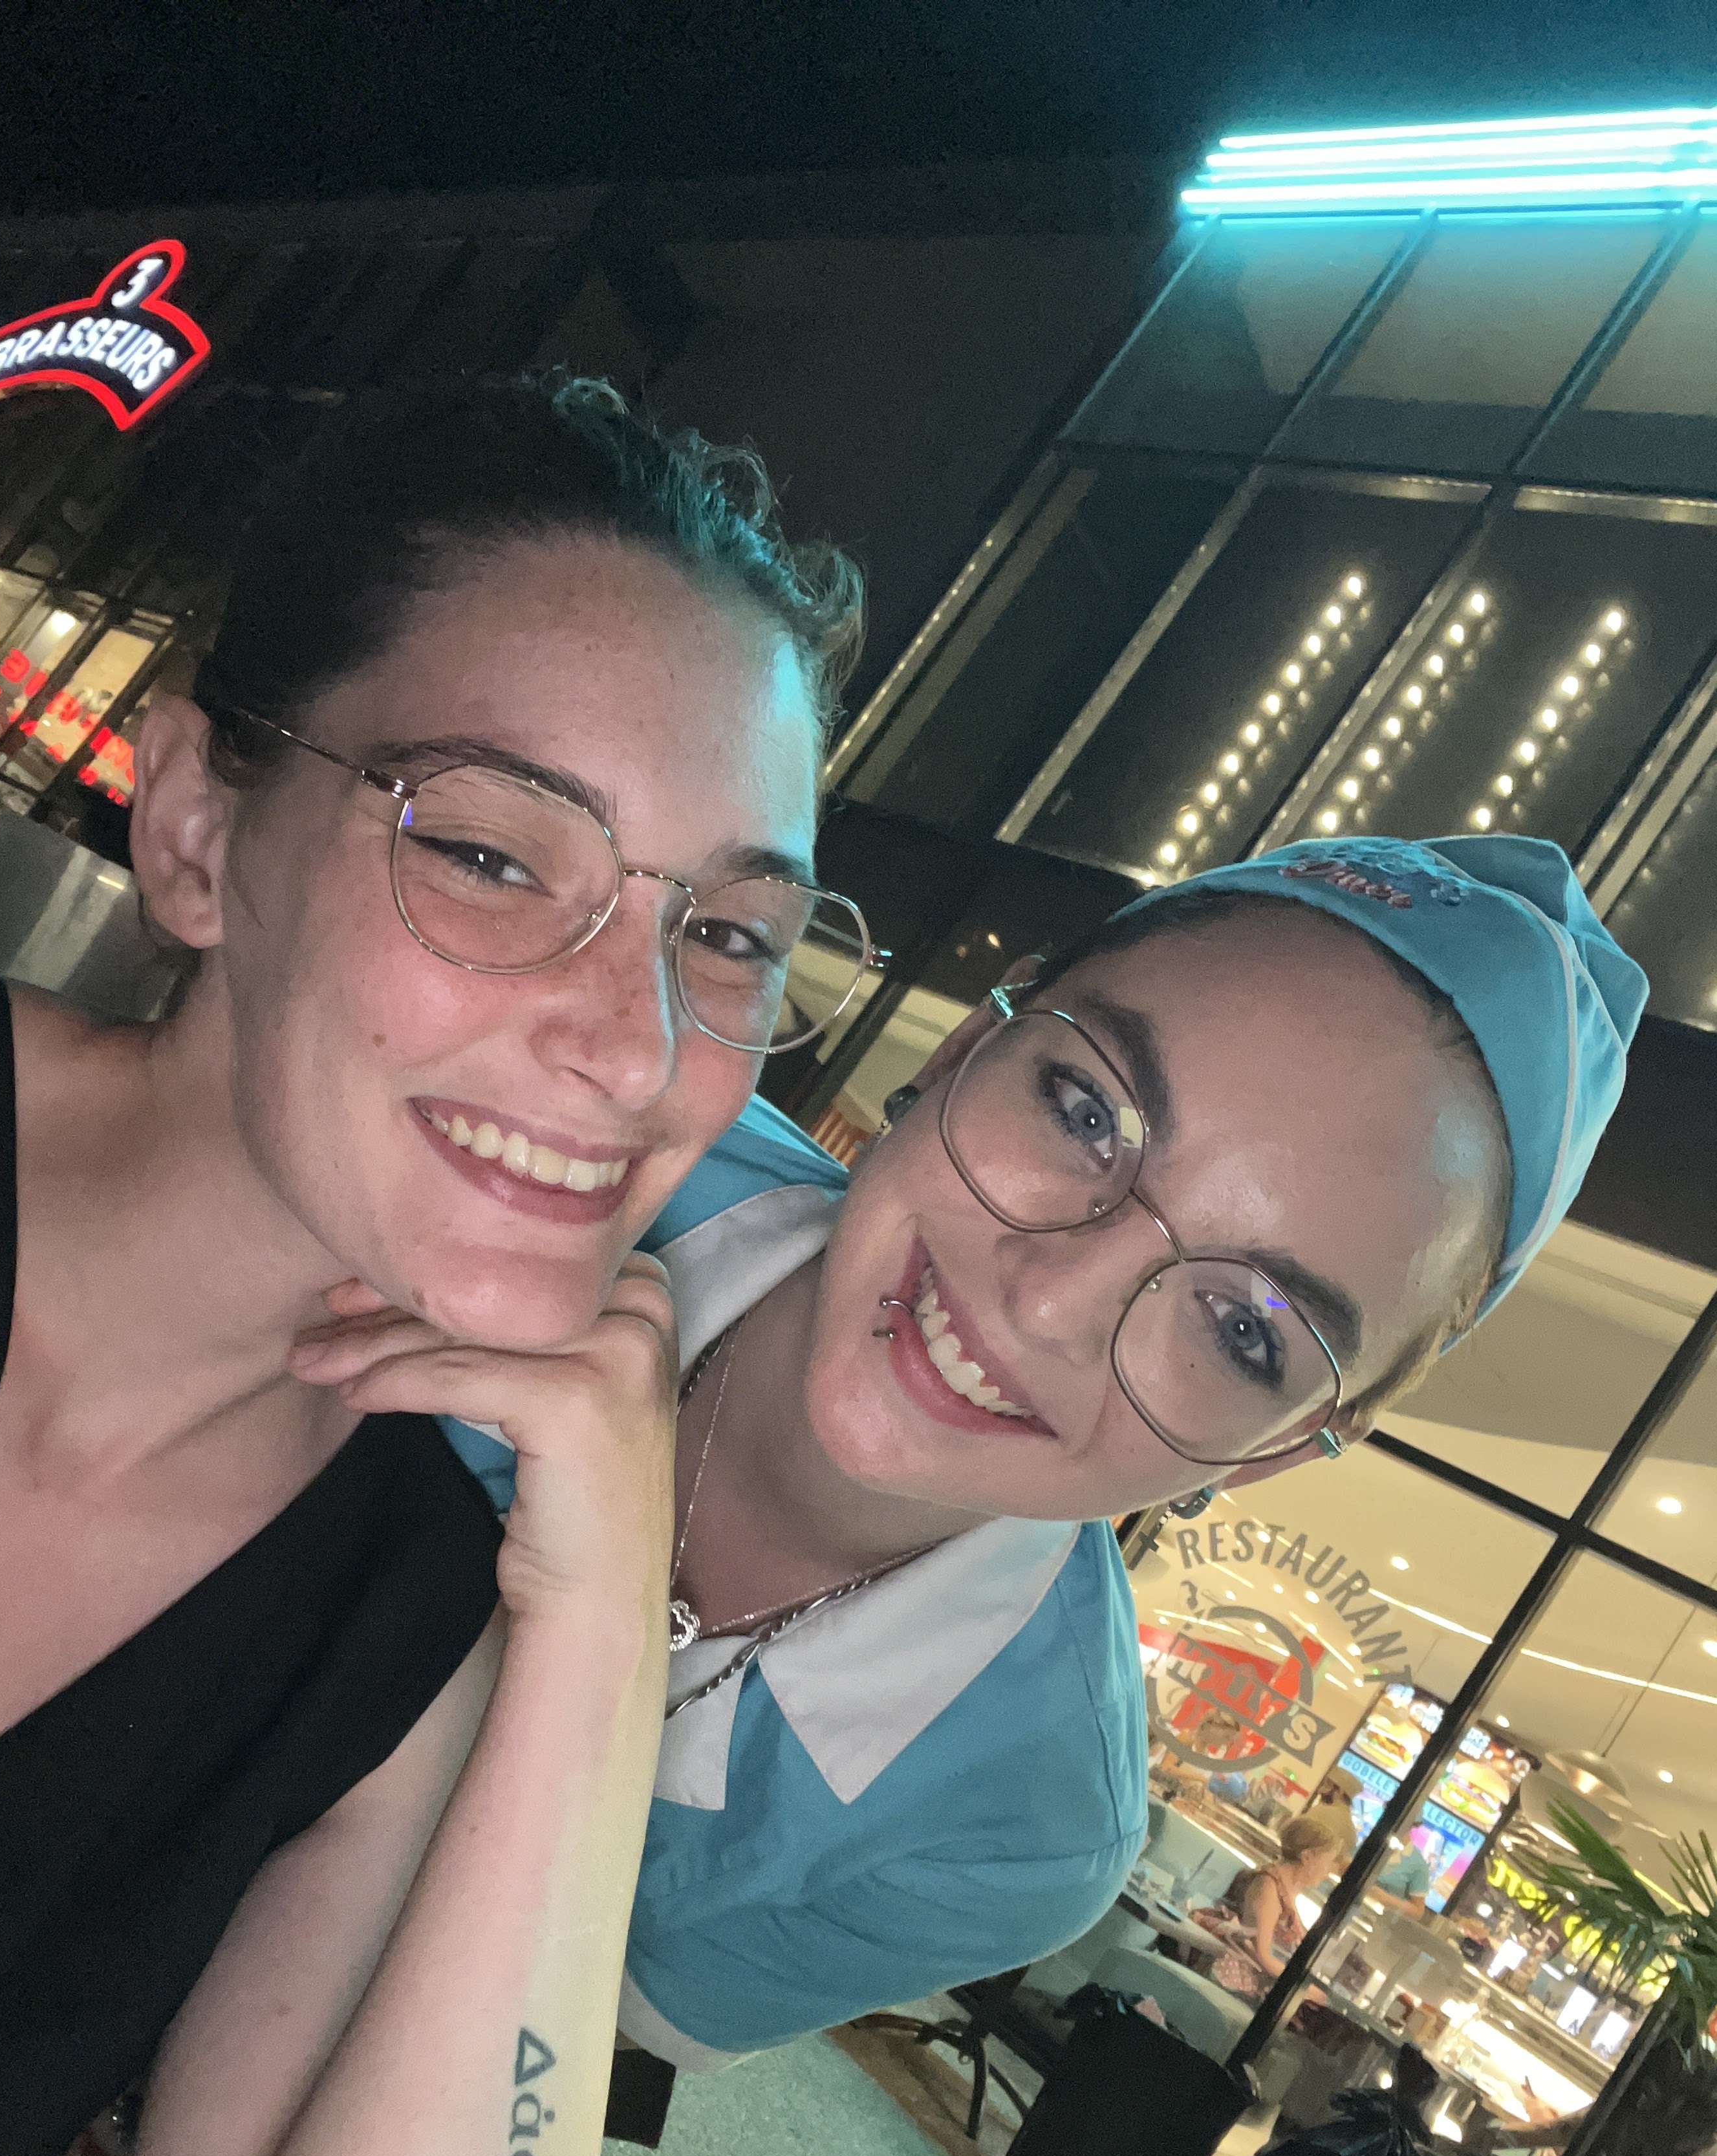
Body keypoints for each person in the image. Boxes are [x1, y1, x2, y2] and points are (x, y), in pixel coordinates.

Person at [0, 372, 866, 2156]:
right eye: (494, 855)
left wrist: (591, 1665)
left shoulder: (397, 1655)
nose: (638, 1046)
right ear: (194, 829)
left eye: (727, 938)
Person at [440, 831, 1644, 2078]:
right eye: (1084, 1114)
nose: (1049, 1302)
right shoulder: (544, 1146)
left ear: (1273, 1450)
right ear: (966, 1045)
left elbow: (533, 2069)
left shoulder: (1024, 1825)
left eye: (1242, 1330)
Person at [1196, 1816, 1345, 1996]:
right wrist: (1305, 1989)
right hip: (1237, 1984)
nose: (1328, 1871)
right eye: (1328, 1861)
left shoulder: (1286, 1892)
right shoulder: (1269, 1888)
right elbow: (1263, 1955)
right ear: (1307, 1857)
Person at [1375, 1830, 1436, 1912]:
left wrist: (1385, 1898)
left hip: (1379, 1914)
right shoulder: (1375, 1841)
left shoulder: (1420, 1866)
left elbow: (1418, 1911)